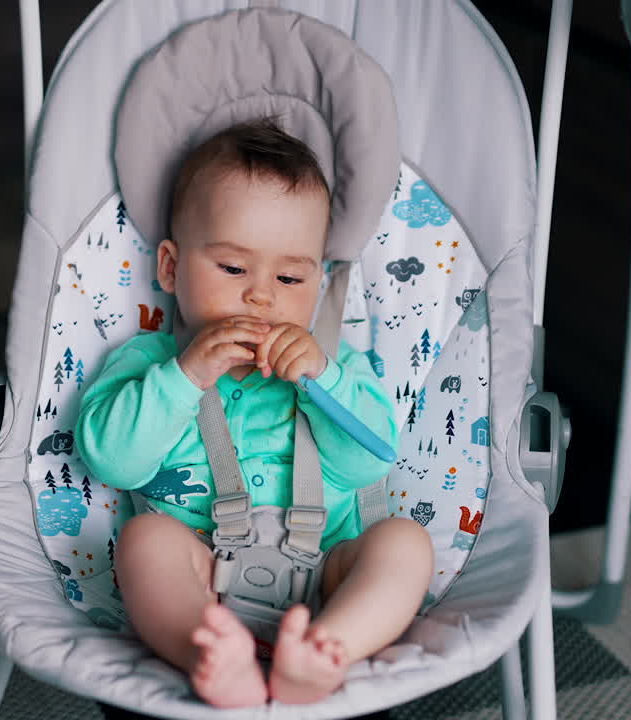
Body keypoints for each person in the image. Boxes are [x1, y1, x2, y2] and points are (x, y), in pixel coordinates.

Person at [74, 119, 433, 707]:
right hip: (199, 577)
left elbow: (371, 462)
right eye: (234, 269)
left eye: (290, 277)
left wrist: (323, 378)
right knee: (144, 542)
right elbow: (112, 459)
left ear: (317, 284)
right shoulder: (149, 363)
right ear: (170, 268)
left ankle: (326, 649)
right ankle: (210, 654)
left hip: (328, 572)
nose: (261, 296)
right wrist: (184, 376)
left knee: (404, 543)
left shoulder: (335, 366)